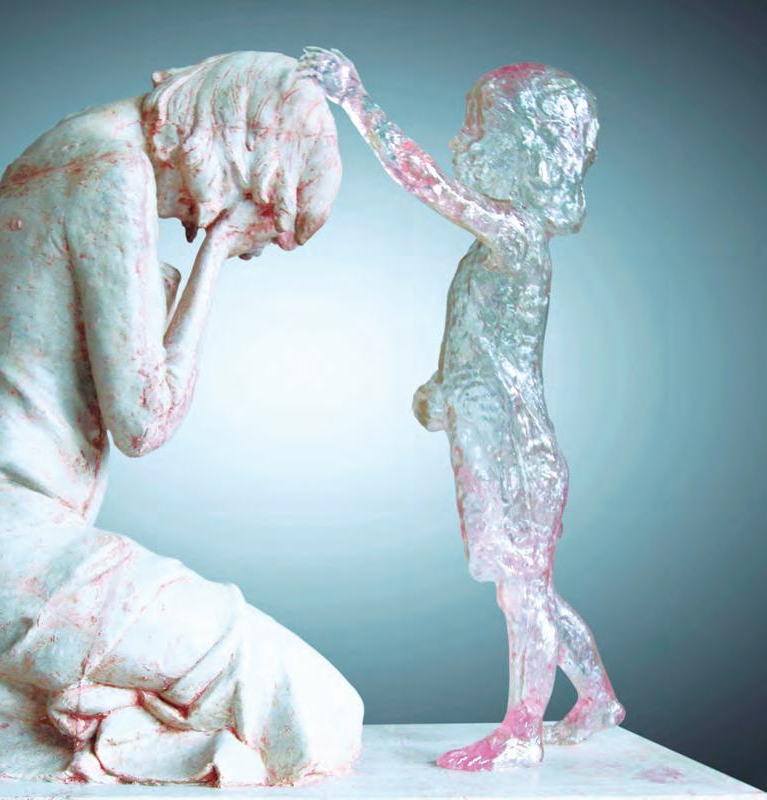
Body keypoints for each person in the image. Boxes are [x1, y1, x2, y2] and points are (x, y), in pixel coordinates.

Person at [0, 51, 362, 786]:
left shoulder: (69, 149)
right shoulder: (108, 171)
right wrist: (217, 252)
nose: (191, 220)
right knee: (313, 709)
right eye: (252, 212)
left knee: (213, 688)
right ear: (242, 154)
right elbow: (145, 421)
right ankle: (87, 726)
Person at [300, 47, 624, 771]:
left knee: (522, 595)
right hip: (498, 440)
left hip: (516, 453)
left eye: (478, 131)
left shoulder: (515, 236)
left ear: (523, 152)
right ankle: (598, 699)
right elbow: (491, 343)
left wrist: (357, 101)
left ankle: (521, 731)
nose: (460, 142)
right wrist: (444, 386)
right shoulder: (498, 248)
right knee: (531, 590)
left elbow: (426, 182)